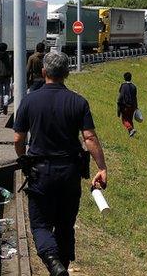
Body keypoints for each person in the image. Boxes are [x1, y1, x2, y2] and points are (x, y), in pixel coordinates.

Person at [13, 51, 108, 274]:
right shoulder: (78, 102)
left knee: (40, 224)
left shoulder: (29, 101)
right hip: (69, 173)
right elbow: (90, 138)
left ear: (44, 72)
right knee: (65, 226)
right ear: (66, 74)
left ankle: (53, 262)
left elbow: (18, 139)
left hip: (40, 174)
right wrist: (101, 168)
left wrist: (23, 159)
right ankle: (61, 267)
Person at [0, 43, 13, 114]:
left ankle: (1, 108)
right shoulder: (9, 56)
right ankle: (6, 104)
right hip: (7, 76)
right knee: (7, 92)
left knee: (0, 92)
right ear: (6, 48)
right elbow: (11, 66)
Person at [117, 72, 138, 137]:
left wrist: (118, 105)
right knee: (130, 120)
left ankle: (130, 129)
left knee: (124, 120)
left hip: (125, 106)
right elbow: (135, 97)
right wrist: (136, 106)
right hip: (132, 106)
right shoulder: (134, 86)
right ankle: (132, 134)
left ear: (124, 78)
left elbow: (121, 96)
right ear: (131, 78)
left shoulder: (123, 86)